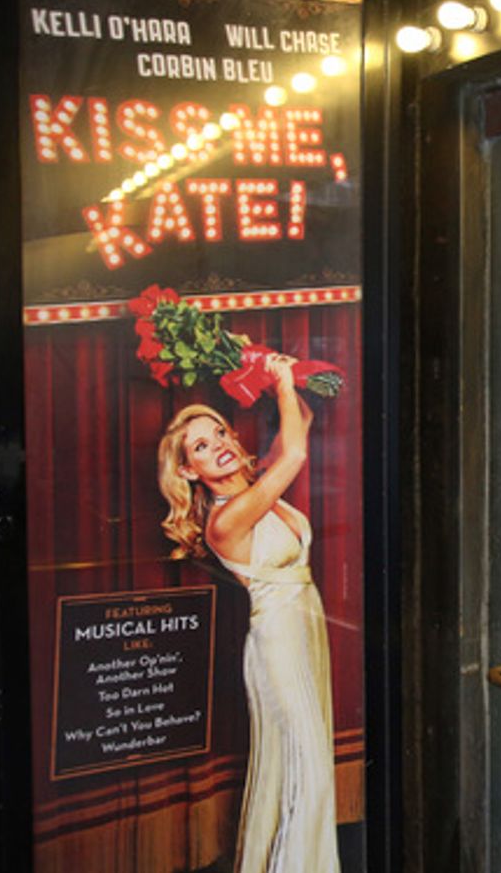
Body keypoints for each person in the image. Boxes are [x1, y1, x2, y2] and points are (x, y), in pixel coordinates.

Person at [157, 355, 339, 873]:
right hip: (277, 643)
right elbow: (298, 454)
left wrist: (275, 372)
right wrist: (279, 381)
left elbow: (298, 423)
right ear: (189, 471)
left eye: (217, 431)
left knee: (304, 767)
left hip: (307, 627)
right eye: (199, 445)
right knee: (310, 773)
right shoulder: (225, 521)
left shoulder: (256, 490)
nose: (216, 444)